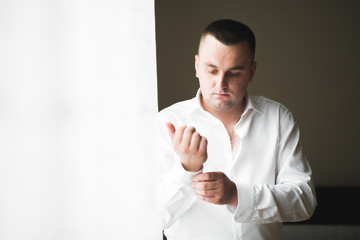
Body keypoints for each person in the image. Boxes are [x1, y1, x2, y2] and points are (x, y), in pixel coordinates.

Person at [156, 19, 317, 240]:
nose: (220, 83)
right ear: (196, 66)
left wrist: (237, 195)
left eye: (234, 73)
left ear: (251, 71)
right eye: (212, 70)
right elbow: (154, 218)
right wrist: (187, 170)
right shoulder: (168, 121)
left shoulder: (278, 118)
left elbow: (305, 201)